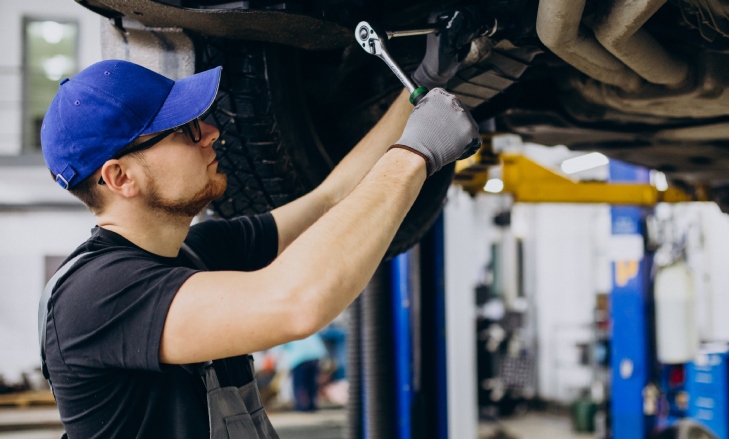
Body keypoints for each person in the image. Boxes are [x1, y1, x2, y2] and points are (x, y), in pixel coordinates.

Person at [39, 10, 481, 439]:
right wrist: (415, 155)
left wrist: (421, 85)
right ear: (120, 177)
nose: (211, 132)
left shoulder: (200, 252)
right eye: (184, 129)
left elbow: (329, 198)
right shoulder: (94, 297)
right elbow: (297, 304)